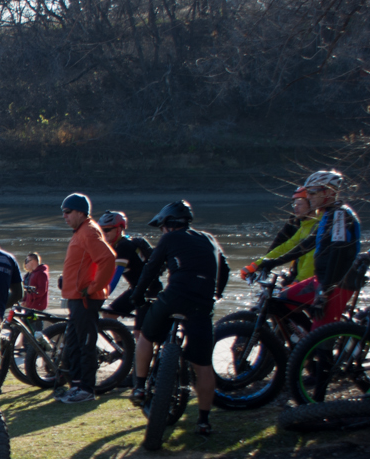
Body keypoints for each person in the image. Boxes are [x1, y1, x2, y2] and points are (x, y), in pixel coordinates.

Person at [129, 201, 231, 436]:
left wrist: (137, 296)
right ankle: (203, 422)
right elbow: (224, 269)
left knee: (146, 335)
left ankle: (140, 387)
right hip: (202, 304)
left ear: (167, 225)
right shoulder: (209, 239)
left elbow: (151, 268)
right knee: (203, 365)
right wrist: (216, 294)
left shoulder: (169, 238)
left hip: (174, 297)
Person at [253, 170, 361, 328]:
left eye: (312, 192)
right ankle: (303, 338)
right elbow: (308, 244)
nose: (308, 197)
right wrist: (274, 262)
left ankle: (313, 341)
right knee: (280, 301)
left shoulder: (340, 216)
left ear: (329, 192)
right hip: (322, 280)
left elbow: (338, 255)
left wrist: (325, 291)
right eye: (307, 192)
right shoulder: (328, 214)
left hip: (338, 284)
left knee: (320, 337)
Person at [57, 193, 117, 403]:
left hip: (85, 299)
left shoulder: (89, 231)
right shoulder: (80, 231)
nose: (64, 216)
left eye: (68, 212)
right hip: (76, 298)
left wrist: (93, 288)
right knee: (73, 344)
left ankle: (86, 390)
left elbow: (108, 258)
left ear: (81, 212)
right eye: (63, 212)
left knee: (85, 344)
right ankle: (75, 386)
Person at [97, 211, 154, 317]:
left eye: (107, 230)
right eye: (101, 230)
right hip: (137, 289)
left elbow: (115, 277)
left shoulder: (124, 247)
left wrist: (101, 297)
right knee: (108, 313)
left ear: (119, 229)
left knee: (109, 314)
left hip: (147, 292)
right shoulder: (118, 245)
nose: (103, 233)